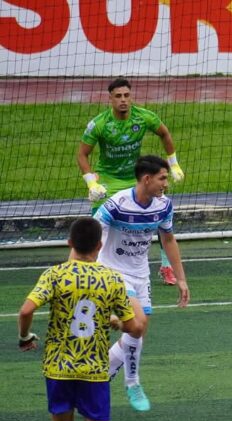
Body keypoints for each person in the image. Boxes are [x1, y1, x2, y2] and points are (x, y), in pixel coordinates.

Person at [18, 217, 142, 421]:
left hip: (58, 366)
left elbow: (26, 310)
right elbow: (134, 326)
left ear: (69, 242)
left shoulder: (55, 275)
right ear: (100, 246)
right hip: (95, 367)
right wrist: (113, 321)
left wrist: (25, 337)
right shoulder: (111, 279)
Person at [95, 155, 190, 412]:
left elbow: (168, 239)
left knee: (138, 329)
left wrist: (181, 278)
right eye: (162, 178)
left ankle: (103, 371)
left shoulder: (163, 205)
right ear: (146, 179)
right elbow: (91, 232)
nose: (166, 184)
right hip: (113, 272)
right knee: (136, 324)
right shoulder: (117, 204)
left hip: (140, 274)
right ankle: (133, 382)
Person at [77, 77, 185, 287]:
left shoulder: (143, 117)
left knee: (161, 215)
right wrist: (91, 183)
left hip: (137, 180)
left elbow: (164, 133)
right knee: (97, 227)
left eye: (126, 95)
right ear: (110, 99)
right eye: (118, 96)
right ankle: (93, 269)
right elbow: (82, 155)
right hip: (107, 180)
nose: (123, 100)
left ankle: (166, 267)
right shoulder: (99, 124)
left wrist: (174, 165)